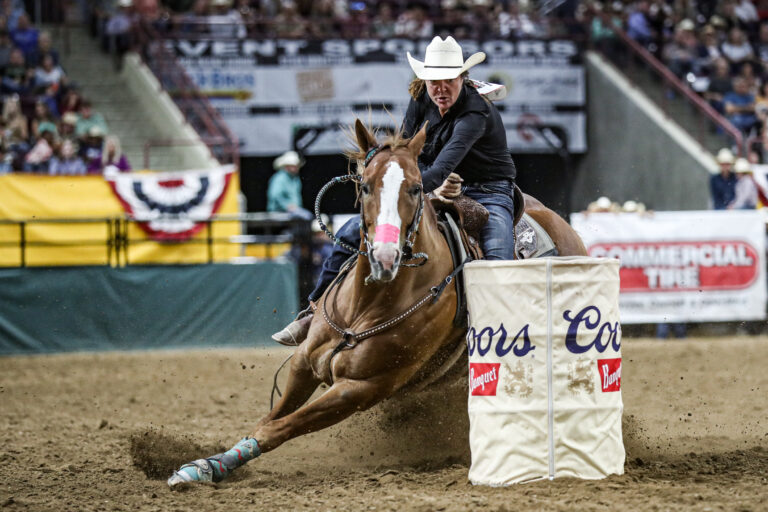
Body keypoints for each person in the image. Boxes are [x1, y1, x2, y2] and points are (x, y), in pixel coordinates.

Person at [272, 36, 517, 345]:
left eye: (448, 80)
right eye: (433, 81)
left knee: (497, 259)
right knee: (351, 232)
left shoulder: (475, 113)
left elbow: (443, 166)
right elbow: (407, 153)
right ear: (424, 81)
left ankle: (498, 338)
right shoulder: (421, 101)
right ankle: (312, 312)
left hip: (487, 190)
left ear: (462, 79)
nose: (440, 88)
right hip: (425, 183)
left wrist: (420, 186)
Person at [266, 150, 312, 220]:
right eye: (293, 165)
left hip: (292, 212)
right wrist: (287, 206)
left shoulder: (295, 179)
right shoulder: (279, 178)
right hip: (279, 212)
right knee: (306, 216)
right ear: (286, 166)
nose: (296, 167)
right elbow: (275, 195)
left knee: (307, 217)